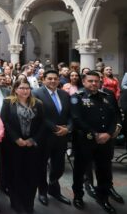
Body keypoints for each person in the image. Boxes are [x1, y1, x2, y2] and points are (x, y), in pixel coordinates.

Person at [71, 71, 119, 214]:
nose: (93, 83)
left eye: (96, 81)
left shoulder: (108, 96)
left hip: (105, 141)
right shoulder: (77, 97)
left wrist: (109, 134)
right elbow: (76, 119)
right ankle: (78, 196)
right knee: (80, 171)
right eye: (90, 81)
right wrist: (95, 134)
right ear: (84, 82)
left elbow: (116, 116)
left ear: (100, 82)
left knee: (104, 171)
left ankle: (103, 198)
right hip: (85, 141)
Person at [0, 78, 45, 213]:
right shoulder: (8, 102)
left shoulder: (38, 103)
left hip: (32, 145)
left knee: (31, 175)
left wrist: (33, 139)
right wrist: (16, 139)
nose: (25, 91)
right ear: (15, 90)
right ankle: (16, 202)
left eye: (27, 88)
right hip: (14, 145)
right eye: (22, 88)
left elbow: (42, 124)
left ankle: (29, 203)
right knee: (16, 174)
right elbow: (5, 122)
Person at [33, 70, 73, 206]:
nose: (53, 81)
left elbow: (71, 115)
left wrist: (68, 128)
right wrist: (57, 128)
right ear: (43, 79)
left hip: (61, 138)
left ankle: (54, 189)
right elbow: (40, 116)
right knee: (41, 166)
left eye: (55, 78)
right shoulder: (36, 93)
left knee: (59, 166)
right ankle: (42, 192)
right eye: (49, 78)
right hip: (44, 137)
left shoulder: (64, 94)